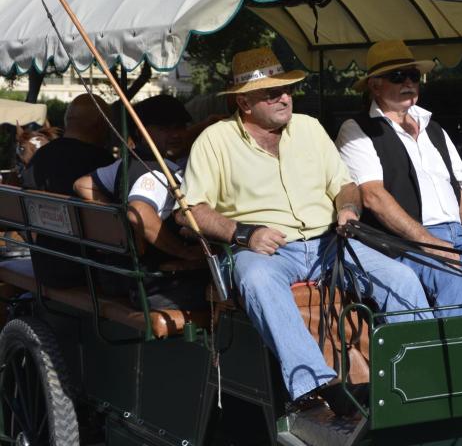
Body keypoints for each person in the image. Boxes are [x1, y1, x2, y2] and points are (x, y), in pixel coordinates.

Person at [176, 46, 432, 415]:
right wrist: (243, 233)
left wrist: (348, 208)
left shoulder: (310, 128)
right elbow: (190, 211)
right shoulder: (215, 140)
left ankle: (418, 374)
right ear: (245, 103)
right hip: (266, 250)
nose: (285, 97)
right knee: (257, 279)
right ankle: (318, 386)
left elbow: (344, 185)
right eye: (273, 93)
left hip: (330, 241)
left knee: (402, 277)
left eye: (288, 90)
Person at [336, 40, 462, 317]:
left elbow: (457, 189)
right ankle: (459, 359)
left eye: (413, 76)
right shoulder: (357, 129)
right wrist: (426, 240)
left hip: (459, 234)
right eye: (398, 76)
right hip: (407, 240)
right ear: (375, 85)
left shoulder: (434, 128)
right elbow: (373, 197)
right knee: (451, 282)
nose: (408, 82)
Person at [74, 95, 207, 309]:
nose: (176, 134)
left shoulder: (126, 162)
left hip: (117, 276)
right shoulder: (157, 171)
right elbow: (139, 212)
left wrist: (116, 217)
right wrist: (182, 252)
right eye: (165, 128)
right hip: (155, 283)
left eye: (180, 127)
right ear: (141, 130)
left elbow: (83, 184)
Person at [22, 93, 114, 287]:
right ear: (100, 124)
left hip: (45, 264)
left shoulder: (40, 157)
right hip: (91, 271)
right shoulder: (102, 162)